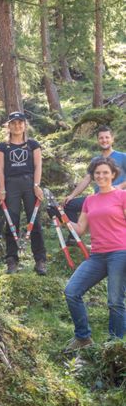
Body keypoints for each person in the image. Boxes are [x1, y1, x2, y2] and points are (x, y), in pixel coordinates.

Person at [63, 158, 125, 352]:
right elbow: (79, 229)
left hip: (120, 253)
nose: (101, 176)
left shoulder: (122, 196)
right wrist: (60, 217)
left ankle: (114, 345)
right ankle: (83, 338)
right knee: (71, 291)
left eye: (105, 172)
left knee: (115, 301)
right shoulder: (90, 200)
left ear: (113, 174)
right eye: (97, 173)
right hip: (97, 255)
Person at [0, 111, 47, 275]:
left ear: (25, 125)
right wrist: (2, 189)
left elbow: (38, 166)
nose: (17, 126)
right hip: (11, 185)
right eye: (13, 123)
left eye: (20, 123)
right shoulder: (2, 146)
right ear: (8, 126)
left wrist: (37, 185)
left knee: (35, 221)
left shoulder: (33, 144)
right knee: (12, 221)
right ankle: (12, 260)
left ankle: (40, 260)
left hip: (30, 183)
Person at [64, 125, 126, 226]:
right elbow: (87, 179)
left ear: (112, 139)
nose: (104, 140)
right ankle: (74, 238)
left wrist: (120, 186)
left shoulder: (123, 157)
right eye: (101, 138)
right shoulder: (95, 160)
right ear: (98, 140)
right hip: (98, 199)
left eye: (107, 137)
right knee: (69, 205)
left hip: (116, 199)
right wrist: (72, 195)